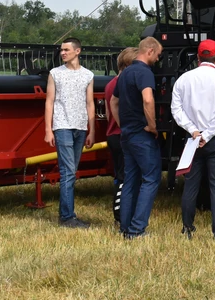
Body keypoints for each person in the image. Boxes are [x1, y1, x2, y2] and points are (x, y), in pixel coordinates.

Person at [171, 39, 215, 241]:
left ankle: (187, 228)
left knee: (191, 184)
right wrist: (207, 135)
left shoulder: (183, 79)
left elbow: (176, 110)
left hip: (192, 138)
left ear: (198, 57)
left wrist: (193, 131)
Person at [112, 36, 163, 239]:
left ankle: (125, 227)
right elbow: (148, 99)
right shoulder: (144, 72)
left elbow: (114, 101)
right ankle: (137, 229)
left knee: (130, 180)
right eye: (158, 55)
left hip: (127, 134)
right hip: (142, 134)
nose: (158, 59)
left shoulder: (125, 73)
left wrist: (121, 124)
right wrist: (152, 126)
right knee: (151, 179)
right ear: (149, 51)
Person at [43, 37, 96, 228]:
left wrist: (92, 131)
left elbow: (90, 103)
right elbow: (49, 101)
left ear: (77, 51)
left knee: (71, 171)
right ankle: (67, 217)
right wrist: (48, 129)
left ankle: (66, 214)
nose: (62, 53)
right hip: (62, 125)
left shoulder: (88, 75)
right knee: (68, 172)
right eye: (61, 50)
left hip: (80, 127)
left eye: (66, 50)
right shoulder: (55, 73)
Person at [103, 47, 138, 227]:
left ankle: (120, 213)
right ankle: (120, 216)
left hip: (112, 133)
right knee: (126, 178)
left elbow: (108, 113)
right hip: (123, 134)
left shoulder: (110, 84)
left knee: (119, 176)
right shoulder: (125, 84)